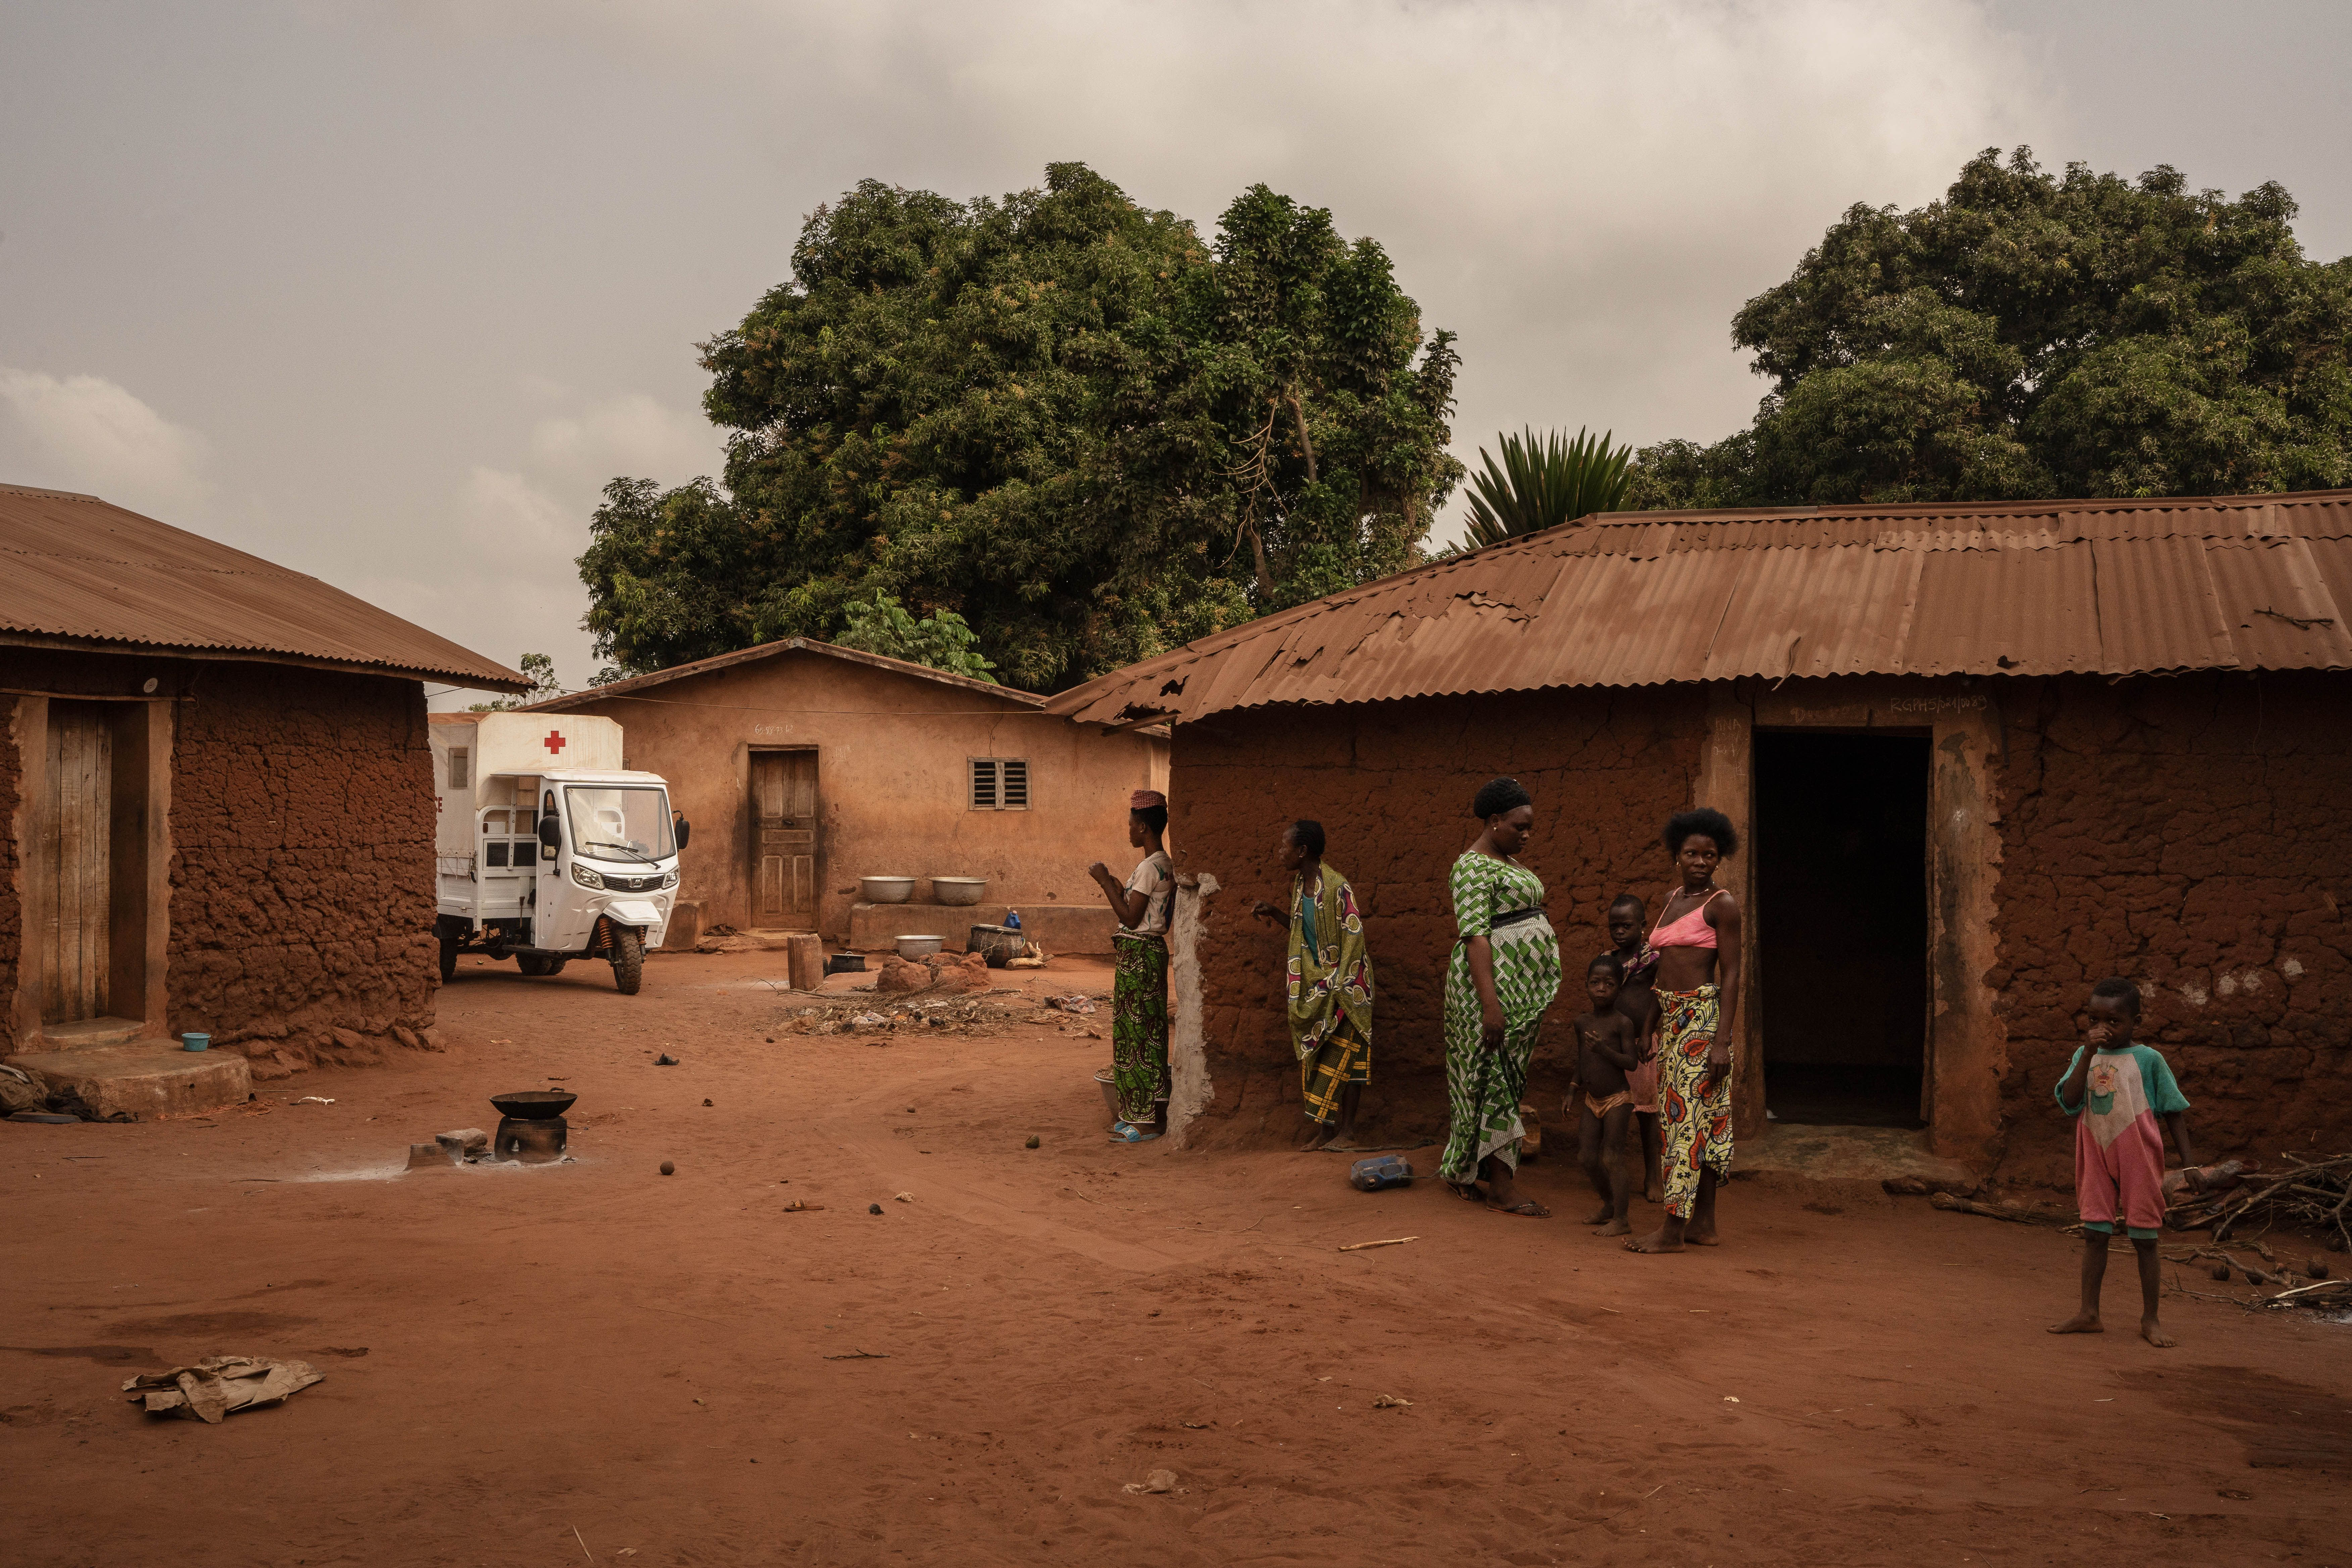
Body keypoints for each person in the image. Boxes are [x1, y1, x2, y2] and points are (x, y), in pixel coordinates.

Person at [2049, 977, 2204, 1348]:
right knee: (2094, 1231)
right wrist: (2086, 1054)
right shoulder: (2083, 1055)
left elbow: (2174, 1112)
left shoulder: (2149, 1059)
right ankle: (2089, 1313)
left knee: (2145, 1237)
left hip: (2138, 1154)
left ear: (2136, 1021)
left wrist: (2190, 1165)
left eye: (2114, 1021)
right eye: (2094, 1019)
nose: (2104, 1028)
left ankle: (2151, 1319)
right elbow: (2070, 1101)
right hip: (2095, 1149)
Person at [1438, 777, 1563, 1216]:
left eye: (1530, 827)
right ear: (1494, 822)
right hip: (1487, 993)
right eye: (1520, 826)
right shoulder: (1471, 867)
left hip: (1517, 993)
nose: (1527, 834)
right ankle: (1503, 1189)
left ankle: (1469, 1171)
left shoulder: (1506, 860)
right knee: (1490, 1077)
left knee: (1502, 1077)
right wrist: (1491, 1004)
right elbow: (1475, 937)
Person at [1627, 807, 1743, 1255]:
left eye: (1709, 855)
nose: (1700, 861)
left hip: (1702, 1022)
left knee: (1685, 1124)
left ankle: (1673, 1231)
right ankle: (1704, 1225)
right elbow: (1663, 972)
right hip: (1672, 1020)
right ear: (1677, 854)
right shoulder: (1673, 897)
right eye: (1692, 853)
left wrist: (1721, 1042)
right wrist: (1650, 1025)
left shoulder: (1723, 906)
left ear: (1719, 858)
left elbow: (1731, 975)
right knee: (1702, 1123)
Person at [1250, 820, 1374, 1149]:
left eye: (1284, 846)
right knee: (1317, 1054)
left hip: (1348, 985)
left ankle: (1347, 1132)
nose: (1280, 853)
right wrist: (1275, 912)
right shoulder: (1299, 885)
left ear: (1302, 851)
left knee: (1347, 1057)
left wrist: (1338, 985)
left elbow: (1353, 938)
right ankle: (1326, 1132)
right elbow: (1302, 931)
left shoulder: (1337, 887)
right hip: (1319, 986)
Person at [1088, 790, 1174, 1144]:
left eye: (1130, 825)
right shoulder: (1164, 864)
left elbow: (1130, 916)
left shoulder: (1149, 867)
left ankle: (1147, 1122)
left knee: (1137, 1036)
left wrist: (1105, 881)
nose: (1128, 831)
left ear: (1143, 826)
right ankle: (1142, 1114)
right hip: (1147, 955)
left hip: (1140, 958)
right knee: (1147, 1035)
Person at [1568, 953, 1645, 1235]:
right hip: (1592, 1100)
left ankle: (1622, 1219)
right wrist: (1572, 1089)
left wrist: (1605, 1050)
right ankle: (1609, 1204)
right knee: (1587, 1158)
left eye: (1609, 984)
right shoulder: (1581, 1022)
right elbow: (1581, 1060)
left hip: (1618, 1099)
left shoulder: (1622, 1024)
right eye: (1595, 983)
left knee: (1612, 1157)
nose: (1602, 989)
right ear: (1587, 985)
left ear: (1619, 989)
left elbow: (1632, 1063)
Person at [1605, 893, 1665, 1203]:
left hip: (1642, 1045)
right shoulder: (1609, 962)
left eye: (1626, 925)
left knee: (1647, 1112)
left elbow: (1658, 997)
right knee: (1611, 1108)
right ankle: (1611, 1174)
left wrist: (1646, 1034)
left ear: (1643, 926)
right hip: (1613, 1045)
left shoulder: (1652, 959)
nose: (1619, 932)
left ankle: (1653, 1175)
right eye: (1614, 926)